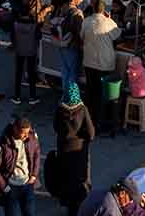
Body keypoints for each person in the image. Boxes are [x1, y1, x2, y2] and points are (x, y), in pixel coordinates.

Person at [53, 83, 95, 215]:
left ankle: (68, 204)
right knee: (80, 178)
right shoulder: (82, 109)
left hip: (63, 148)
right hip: (79, 150)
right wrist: (82, 136)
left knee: (66, 177)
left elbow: (55, 127)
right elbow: (91, 133)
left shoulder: (60, 109)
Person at [80, 0, 121, 128]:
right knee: (103, 94)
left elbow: (82, 36)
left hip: (89, 61)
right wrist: (109, 19)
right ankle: (101, 121)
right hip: (105, 63)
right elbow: (118, 34)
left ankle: (90, 119)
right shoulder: (109, 22)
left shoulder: (86, 22)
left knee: (91, 91)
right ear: (104, 10)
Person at [0, 117, 41, 216]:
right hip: (11, 187)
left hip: (27, 184)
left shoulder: (32, 137)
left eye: (28, 132)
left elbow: (36, 154)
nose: (26, 136)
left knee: (30, 213)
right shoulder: (2, 145)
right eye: (23, 133)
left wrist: (34, 175)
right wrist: (5, 187)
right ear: (15, 129)